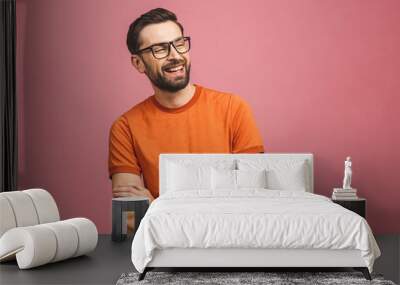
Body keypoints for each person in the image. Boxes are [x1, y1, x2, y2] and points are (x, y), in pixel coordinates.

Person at [108, 8, 264, 203]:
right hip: (163, 234)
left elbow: (252, 195)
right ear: (138, 63)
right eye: (159, 49)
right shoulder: (125, 128)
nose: (175, 55)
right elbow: (129, 215)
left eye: (179, 44)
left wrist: (156, 203)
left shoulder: (233, 108)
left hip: (228, 232)